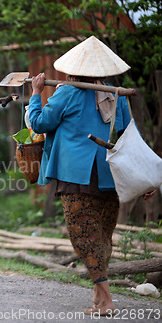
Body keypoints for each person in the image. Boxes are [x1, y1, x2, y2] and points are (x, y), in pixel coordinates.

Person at [28, 36, 133, 315]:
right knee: (101, 236)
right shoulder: (116, 95)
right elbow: (128, 138)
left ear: (72, 69)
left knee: (84, 235)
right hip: (111, 176)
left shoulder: (67, 93)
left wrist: (36, 94)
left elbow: (39, 122)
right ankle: (100, 299)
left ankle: (107, 300)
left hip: (77, 177)